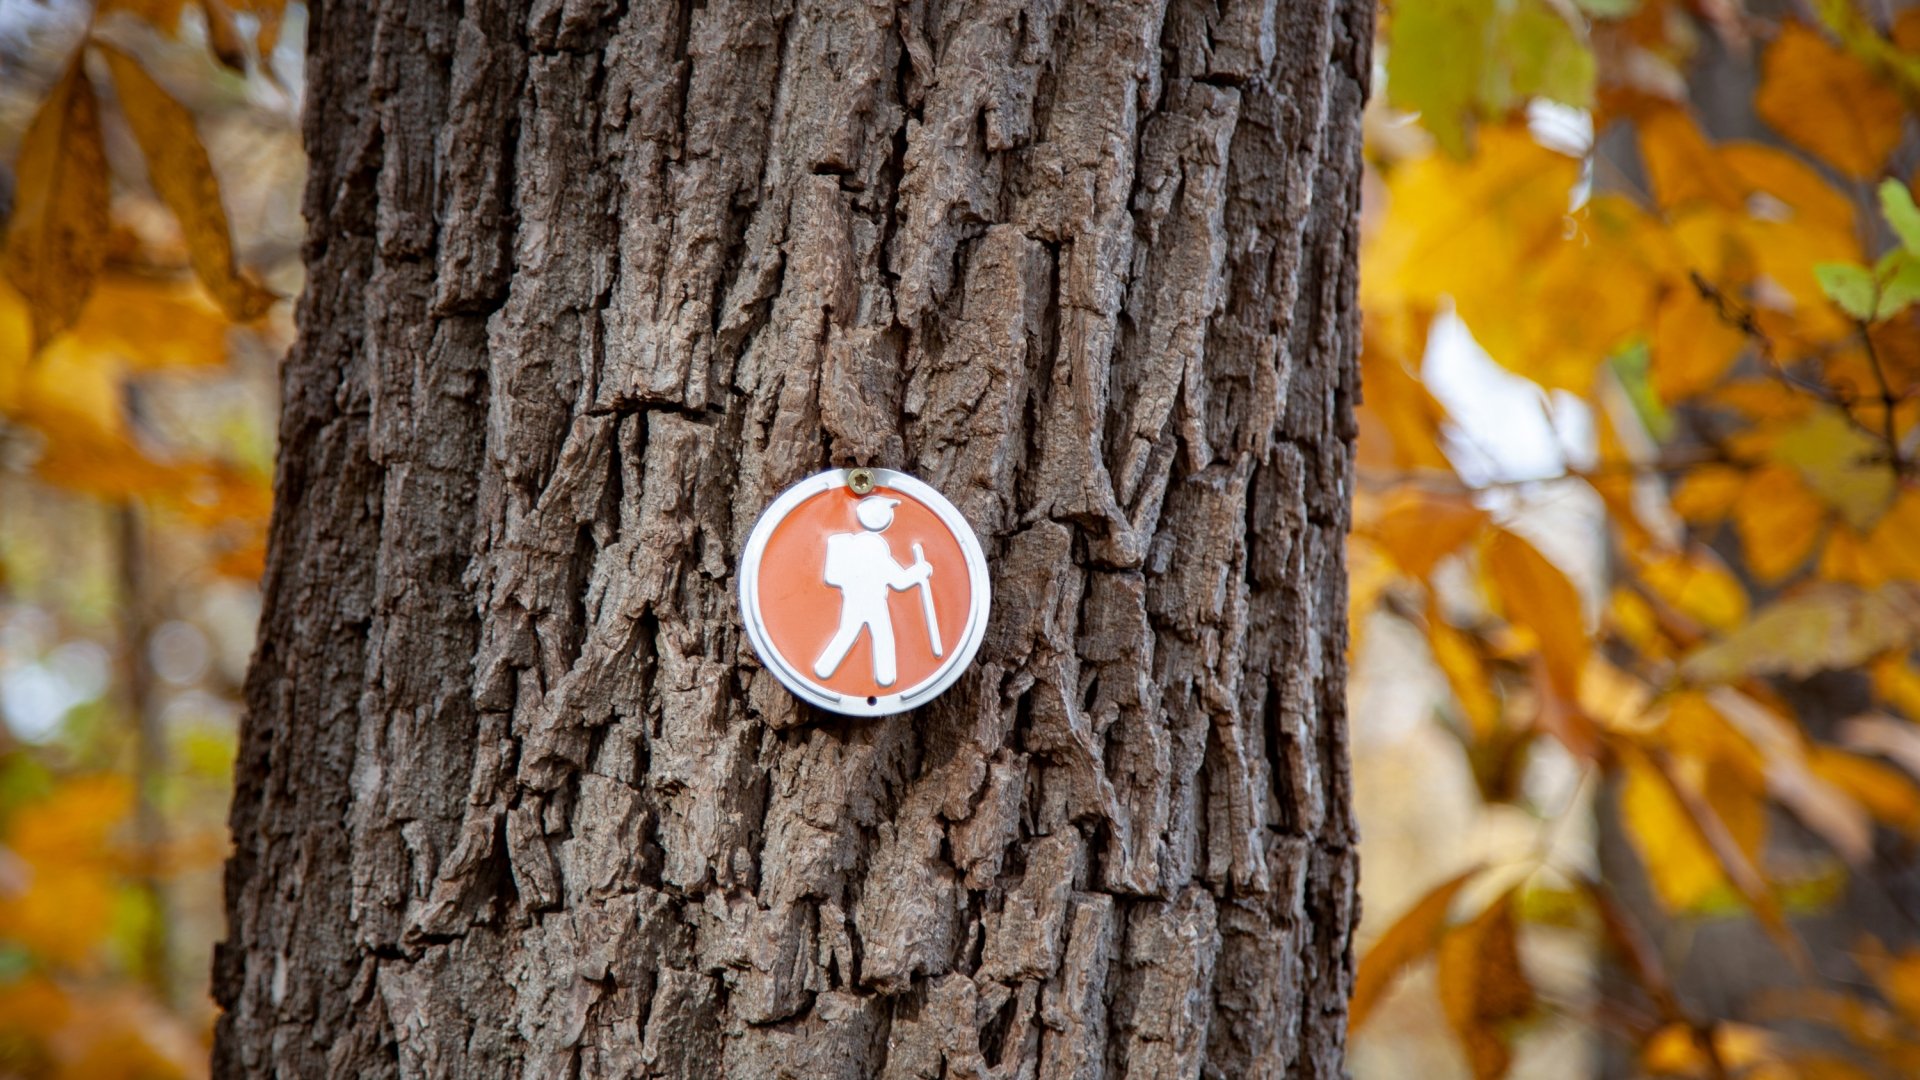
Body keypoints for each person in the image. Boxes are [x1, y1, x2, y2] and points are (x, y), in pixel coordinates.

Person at [814, 496, 931, 686]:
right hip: (874, 601)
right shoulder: (875, 548)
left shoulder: (854, 546)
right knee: (882, 637)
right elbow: (899, 581)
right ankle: (885, 678)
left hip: (853, 600)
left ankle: (823, 670)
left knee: (847, 634)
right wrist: (919, 572)